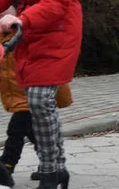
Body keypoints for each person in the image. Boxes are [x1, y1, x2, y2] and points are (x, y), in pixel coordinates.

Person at [0, 0, 83, 189]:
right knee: (36, 102)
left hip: (57, 33)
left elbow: (58, 1)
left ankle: (50, 169)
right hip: (30, 32)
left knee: (38, 98)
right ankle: (58, 168)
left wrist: (19, 20)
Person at [1, 37, 73, 176]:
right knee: (33, 131)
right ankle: (52, 164)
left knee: (16, 130)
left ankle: (7, 164)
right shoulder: (4, 36)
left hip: (34, 92)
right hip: (19, 94)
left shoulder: (27, 34)